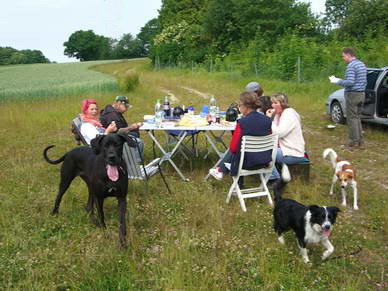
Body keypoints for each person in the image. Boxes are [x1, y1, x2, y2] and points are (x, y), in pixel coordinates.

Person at [209, 92, 273, 180]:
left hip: (245, 163)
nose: (238, 107)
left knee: (237, 150)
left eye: (239, 105)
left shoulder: (242, 123)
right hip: (264, 161)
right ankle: (220, 170)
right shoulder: (268, 120)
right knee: (241, 150)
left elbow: (233, 148)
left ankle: (221, 171)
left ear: (245, 107)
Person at [329, 47, 367, 149]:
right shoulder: (361, 64)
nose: (343, 58)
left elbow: (350, 82)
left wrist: (337, 81)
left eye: (343, 56)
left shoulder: (351, 66)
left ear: (349, 55)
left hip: (353, 94)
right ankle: (360, 141)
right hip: (361, 94)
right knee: (357, 118)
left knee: (351, 119)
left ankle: (354, 143)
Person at [266, 93, 309, 165]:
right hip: (283, 150)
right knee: (262, 151)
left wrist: (270, 119)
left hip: (292, 153)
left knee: (263, 154)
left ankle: (273, 176)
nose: (272, 105)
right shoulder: (278, 115)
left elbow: (278, 134)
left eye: (275, 103)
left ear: (283, 104)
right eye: (272, 103)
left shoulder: (289, 114)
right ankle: (272, 174)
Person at [100, 95, 144, 161]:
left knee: (135, 133)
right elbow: (118, 132)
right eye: (125, 106)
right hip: (114, 139)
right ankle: (135, 163)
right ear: (119, 103)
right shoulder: (112, 115)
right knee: (139, 142)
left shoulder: (115, 111)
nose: (126, 109)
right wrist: (132, 127)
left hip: (115, 136)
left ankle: (133, 160)